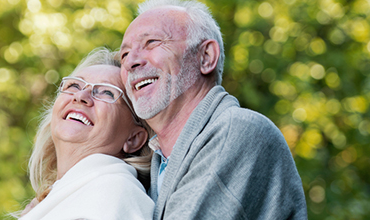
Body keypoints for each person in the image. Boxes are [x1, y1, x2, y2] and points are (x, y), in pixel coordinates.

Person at [119, 0, 307, 219]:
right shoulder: (155, 164)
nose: (130, 62)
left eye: (152, 42)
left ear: (206, 57)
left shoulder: (237, 129)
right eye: (124, 55)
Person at [18, 48, 154, 219]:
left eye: (106, 92)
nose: (81, 96)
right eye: (74, 85)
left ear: (133, 138)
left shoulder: (115, 191)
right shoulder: (66, 195)